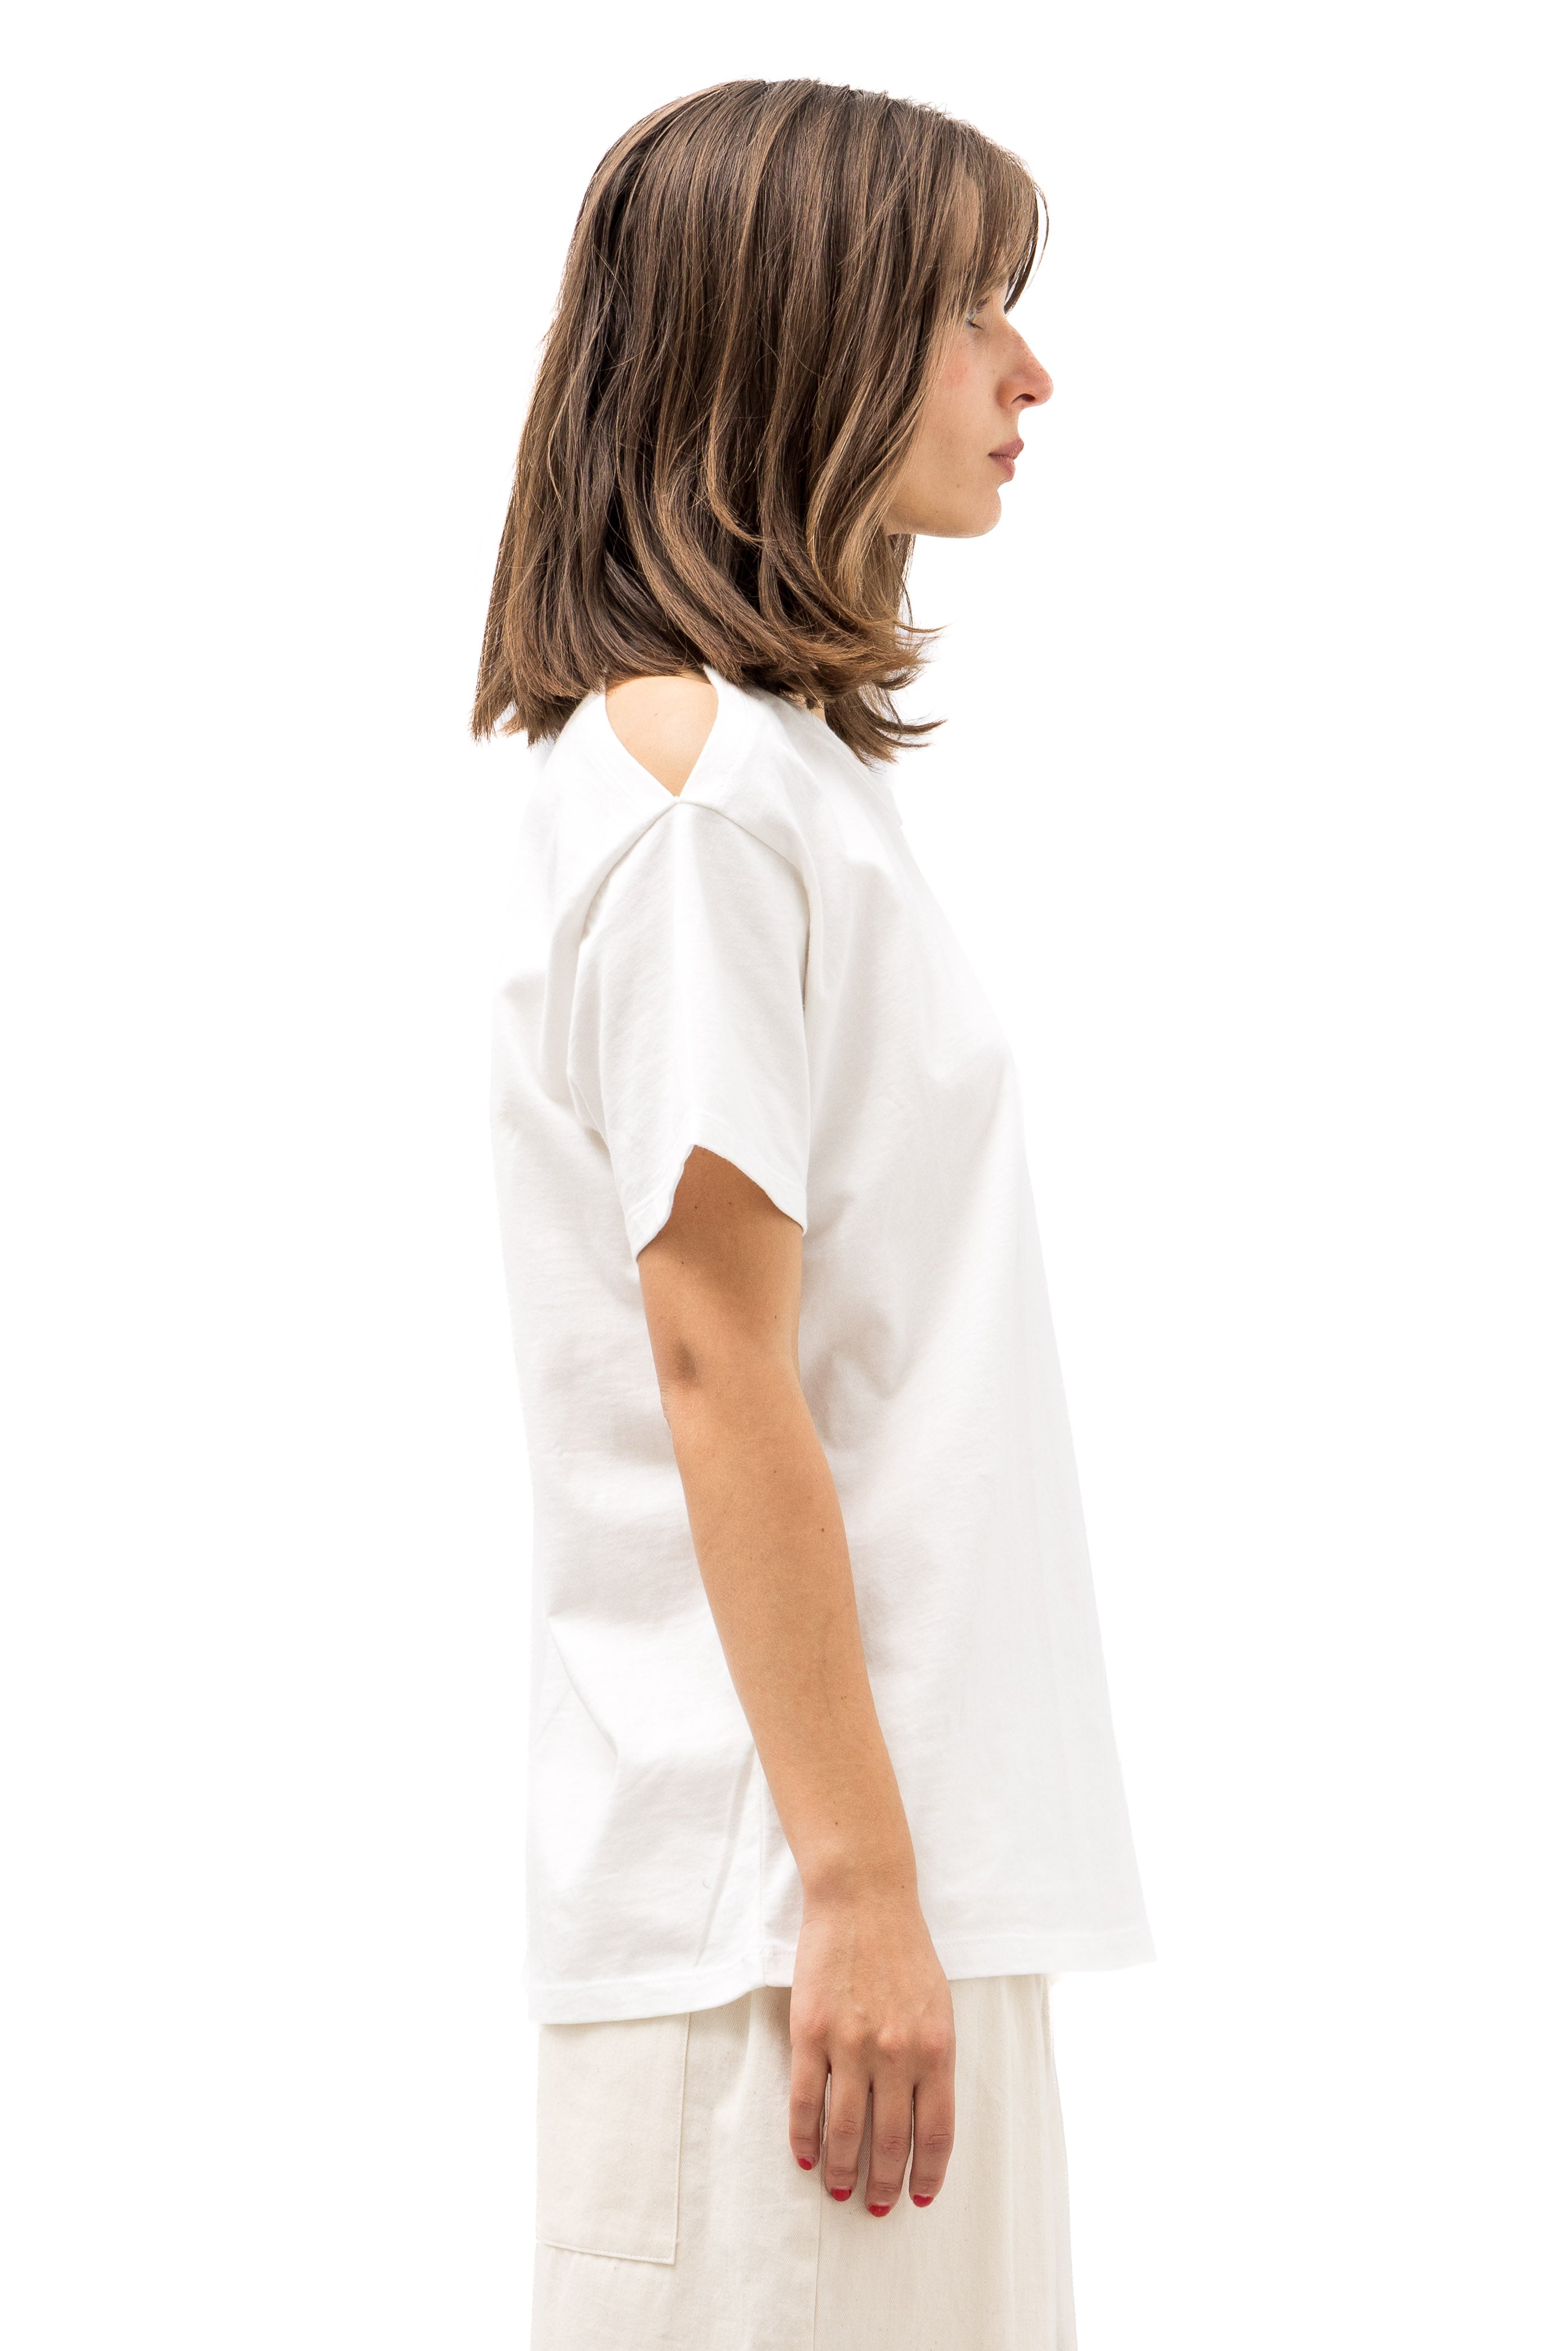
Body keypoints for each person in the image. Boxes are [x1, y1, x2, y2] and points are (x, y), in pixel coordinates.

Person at [474, 76, 1153, 2351]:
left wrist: (892, 1885)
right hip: (781, 1922)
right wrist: (853, 1883)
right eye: (972, 310)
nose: (1026, 372)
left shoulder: (774, 783)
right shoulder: (695, 802)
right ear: (806, 331)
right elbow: (712, 1353)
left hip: (873, 1896)